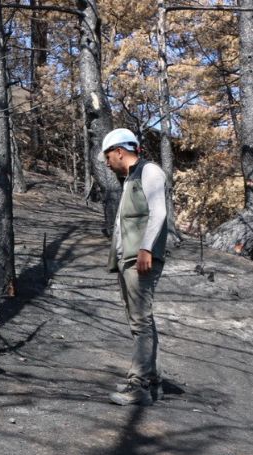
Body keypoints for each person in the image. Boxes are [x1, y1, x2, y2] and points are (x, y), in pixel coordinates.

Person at [101, 128, 169, 406]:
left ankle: (138, 384)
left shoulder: (149, 171)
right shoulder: (130, 179)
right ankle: (151, 379)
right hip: (129, 259)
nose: (107, 163)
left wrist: (145, 248)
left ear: (119, 151)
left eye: (108, 157)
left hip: (141, 258)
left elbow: (159, 212)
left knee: (141, 320)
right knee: (139, 320)